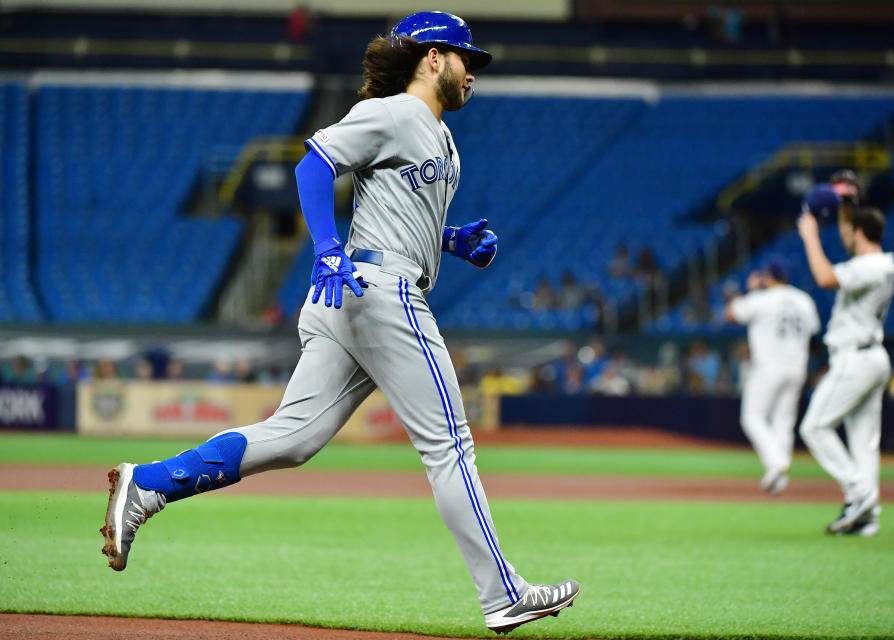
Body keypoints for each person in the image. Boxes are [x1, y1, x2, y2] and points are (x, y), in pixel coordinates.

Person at [99, 11, 579, 635]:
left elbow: (395, 211)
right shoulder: (398, 111)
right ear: (433, 59)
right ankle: (504, 592)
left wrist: (451, 239)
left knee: (293, 437)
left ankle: (150, 485)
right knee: (449, 444)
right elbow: (313, 165)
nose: (472, 72)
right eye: (466, 59)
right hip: (375, 288)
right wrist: (326, 248)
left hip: (355, 293)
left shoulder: (438, 135)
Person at [796, 202, 894, 537]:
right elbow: (850, 240)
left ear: (859, 233)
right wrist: (843, 210)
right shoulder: (881, 264)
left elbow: (825, 277)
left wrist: (811, 235)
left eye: (850, 231)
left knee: (814, 427)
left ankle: (859, 493)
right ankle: (867, 517)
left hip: (856, 359)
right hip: (871, 356)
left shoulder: (872, 265)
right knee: (863, 441)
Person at [724, 259, 820, 494]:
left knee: (752, 417)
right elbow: (815, 330)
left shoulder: (762, 299)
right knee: (783, 421)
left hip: (768, 366)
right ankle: (779, 480)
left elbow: (731, 314)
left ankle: (776, 462)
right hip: (797, 367)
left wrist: (751, 290)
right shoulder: (803, 300)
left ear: (767, 277)